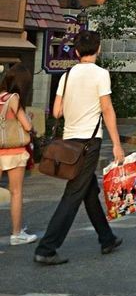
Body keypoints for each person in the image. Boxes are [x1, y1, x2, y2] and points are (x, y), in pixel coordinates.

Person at [34, 30, 125, 266]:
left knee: (88, 190)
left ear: (76, 51)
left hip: (69, 141)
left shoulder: (67, 74)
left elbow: (56, 112)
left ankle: (107, 238)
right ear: (98, 49)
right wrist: (116, 144)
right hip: (89, 142)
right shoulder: (101, 74)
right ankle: (47, 248)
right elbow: (106, 109)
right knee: (74, 194)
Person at [0, 63, 37, 246]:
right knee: (16, 192)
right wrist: (30, 120)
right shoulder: (13, 98)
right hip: (13, 152)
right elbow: (27, 126)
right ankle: (16, 234)